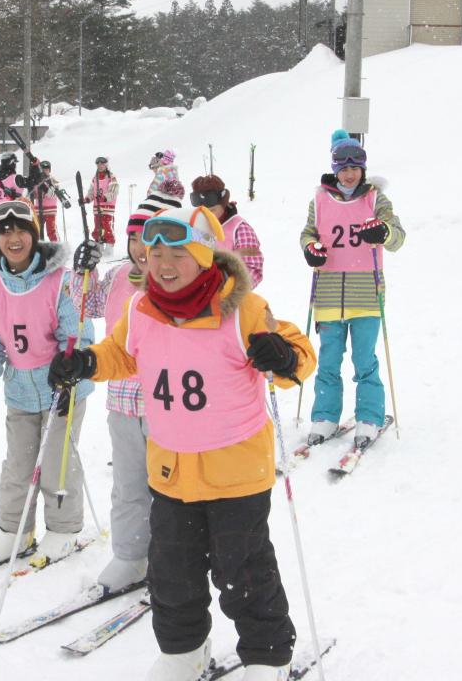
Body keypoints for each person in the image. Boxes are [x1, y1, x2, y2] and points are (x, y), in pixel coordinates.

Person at [49, 205, 317, 681]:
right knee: (173, 574)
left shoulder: (244, 309)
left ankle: (267, 657)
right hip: (171, 473)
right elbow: (120, 352)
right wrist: (87, 363)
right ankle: (183, 652)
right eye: (154, 253)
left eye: (178, 252)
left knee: (245, 574)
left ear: (205, 257)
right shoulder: (141, 307)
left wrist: (283, 356)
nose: (163, 264)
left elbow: (297, 352)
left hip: (235, 473)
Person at [0, 200, 96, 570]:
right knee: (19, 464)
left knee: (56, 460)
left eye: (21, 229)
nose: (14, 238)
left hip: (62, 387)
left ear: (34, 234)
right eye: (5, 231)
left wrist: (69, 368)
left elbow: (79, 331)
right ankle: (15, 530)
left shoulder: (60, 280)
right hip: (20, 389)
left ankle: (64, 528)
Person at [73, 185, 182, 594]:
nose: (140, 248)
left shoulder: (176, 283)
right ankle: (130, 556)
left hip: (165, 405)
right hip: (120, 401)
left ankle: (171, 559)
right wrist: (82, 270)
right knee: (129, 486)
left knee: (169, 489)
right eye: (135, 237)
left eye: (150, 238)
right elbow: (82, 302)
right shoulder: (119, 277)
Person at [299, 136, 405, 449]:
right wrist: (310, 248)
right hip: (329, 293)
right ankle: (325, 417)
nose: (349, 174)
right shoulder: (319, 200)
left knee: (364, 361)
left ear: (362, 169)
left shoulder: (375, 199)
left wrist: (383, 232)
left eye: (355, 167)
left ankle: (369, 417)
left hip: (366, 295)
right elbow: (308, 233)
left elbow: (398, 236)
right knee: (329, 361)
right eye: (343, 167)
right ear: (334, 168)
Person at [190, 174, 263, 287]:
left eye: (212, 210)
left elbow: (253, 268)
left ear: (223, 205)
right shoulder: (194, 227)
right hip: (197, 295)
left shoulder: (239, 229)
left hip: (227, 296)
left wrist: (228, 290)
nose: (207, 215)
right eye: (202, 211)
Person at [83, 156, 120, 255]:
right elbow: (91, 192)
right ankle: (99, 248)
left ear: (106, 165)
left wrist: (105, 197)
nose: (100, 166)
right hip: (97, 208)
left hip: (107, 208)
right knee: (98, 229)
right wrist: (87, 199)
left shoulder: (111, 177)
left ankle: (109, 250)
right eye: (98, 164)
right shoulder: (95, 178)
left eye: (102, 164)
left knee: (107, 228)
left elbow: (114, 191)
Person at [34, 160, 71, 242]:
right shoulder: (36, 181)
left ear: (49, 170)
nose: (45, 171)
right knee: (36, 230)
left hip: (50, 209)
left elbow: (54, 194)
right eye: (43, 169)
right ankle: (36, 247)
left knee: (51, 230)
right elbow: (33, 194)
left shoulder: (53, 181)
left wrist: (46, 188)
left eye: (47, 169)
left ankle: (57, 247)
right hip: (38, 209)